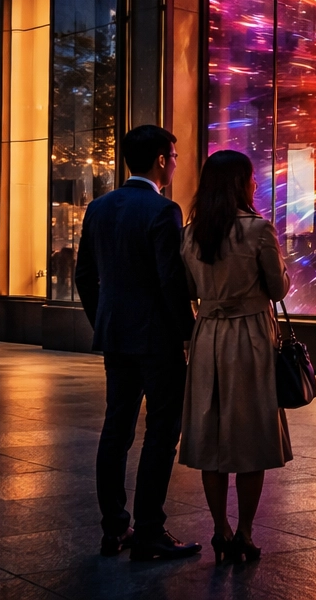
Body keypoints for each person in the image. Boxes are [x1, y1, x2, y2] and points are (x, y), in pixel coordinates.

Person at [74, 125, 200, 563]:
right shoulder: (164, 211)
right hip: (158, 339)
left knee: (116, 429)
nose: (177, 162)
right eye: (175, 155)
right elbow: (170, 281)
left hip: (116, 336)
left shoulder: (99, 208)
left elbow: (83, 277)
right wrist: (188, 332)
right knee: (162, 432)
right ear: (162, 160)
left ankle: (114, 528)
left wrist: (104, 320)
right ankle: (149, 529)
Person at [179, 150, 292, 564]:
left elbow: (188, 288)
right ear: (240, 184)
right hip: (250, 338)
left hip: (208, 335)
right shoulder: (258, 229)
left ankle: (219, 529)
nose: (256, 185)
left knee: (213, 433)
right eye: (250, 178)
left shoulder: (190, 234)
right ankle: (244, 530)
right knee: (251, 433)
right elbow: (278, 289)